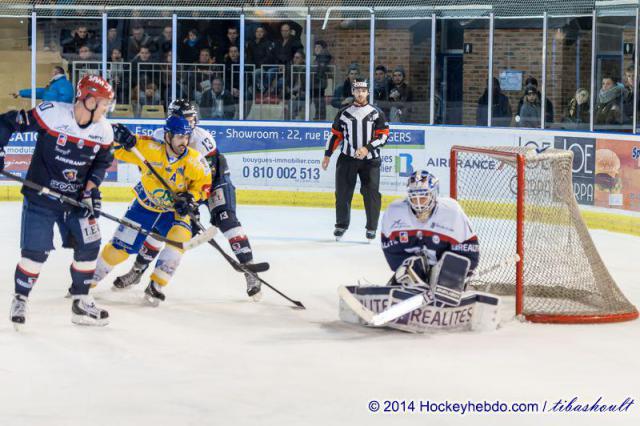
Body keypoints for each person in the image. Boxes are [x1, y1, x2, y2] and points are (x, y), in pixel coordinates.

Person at [113, 100, 262, 299]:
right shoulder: (160, 137)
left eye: (192, 118)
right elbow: (149, 168)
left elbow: (207, 177)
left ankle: (251, 272)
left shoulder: (202, 139)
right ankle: (138, 271)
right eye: (187, 118)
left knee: (226, 219)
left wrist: (191, 200)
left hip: (213, 181)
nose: (191, 123)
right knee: (161, 228)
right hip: (180, 186)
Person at [0, 75, 116, 328]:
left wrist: (90, 192)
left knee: (89, 246)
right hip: (41, 197)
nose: (106, 109)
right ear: (88, 100)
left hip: (76, 201)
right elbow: (8, 123)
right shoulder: (52, 114)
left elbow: (101, 163)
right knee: (34, 254)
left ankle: (81, 302)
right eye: (104, 103)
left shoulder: (104, 130)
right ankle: (20, 297)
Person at [339, 170, 485, 333]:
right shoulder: (395, 212)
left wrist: (455, 276)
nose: (418, 202)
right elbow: (393, 253)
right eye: (413, 197)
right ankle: (409, 292)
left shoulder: (452, 212)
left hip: (443, 270)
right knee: (410, 267)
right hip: (416, 272)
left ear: (433, 194)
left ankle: (450, 293)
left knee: (451, 266)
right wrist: (417, 277)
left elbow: (469, 252)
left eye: (423, 196)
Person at [90, 115, 211, 306]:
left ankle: (156, 285)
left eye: (187, 137)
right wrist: (119, 138)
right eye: (179, 137)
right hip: (145, 206)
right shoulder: (148, 148)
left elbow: (204, 186)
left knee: (179, 239)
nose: (184, 142)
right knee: (118, 251)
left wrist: (190, 198)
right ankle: (87, 282)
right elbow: (116, 149)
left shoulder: (195, 160)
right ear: (167, 136)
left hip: (174, 211)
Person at [322, 78, 390, 241]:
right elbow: (336, 135)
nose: (360, 93)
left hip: (370, 161)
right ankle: (341, 225)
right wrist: (327, 155)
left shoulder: (376, 113)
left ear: (367, 92)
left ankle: (372, 227)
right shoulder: (344, 112)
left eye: (363, 90)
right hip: (347, 159)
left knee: (371, 194)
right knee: (343, 193)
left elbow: (383, 137)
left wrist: (367, 148)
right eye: (357, 90)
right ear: (352, 92)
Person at [312, 40, 332, 120]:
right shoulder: (318, 58)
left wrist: (316, 79)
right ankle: (318, 116)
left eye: (318, 47)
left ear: (322, 49)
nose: (316, 49)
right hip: (317, 82)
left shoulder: (323, 57)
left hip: (319, 82)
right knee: (317, 101)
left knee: (319, 101)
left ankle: (320, 117)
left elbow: (321, 69)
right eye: (315, 47)